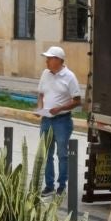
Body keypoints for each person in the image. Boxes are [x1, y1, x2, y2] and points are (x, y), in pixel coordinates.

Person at [37, 46, 81, 196]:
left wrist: (60, 108)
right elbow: (41, 94)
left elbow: (77, 101)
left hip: (62, 121)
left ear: (58, 60)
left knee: (62, 154)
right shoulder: (45, 74)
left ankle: (62, 185)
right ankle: (49, 185)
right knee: (46, 154)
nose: (47, 61)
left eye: (49, 58)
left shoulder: (70, 77)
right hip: (46, 121)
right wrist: (40, 109)